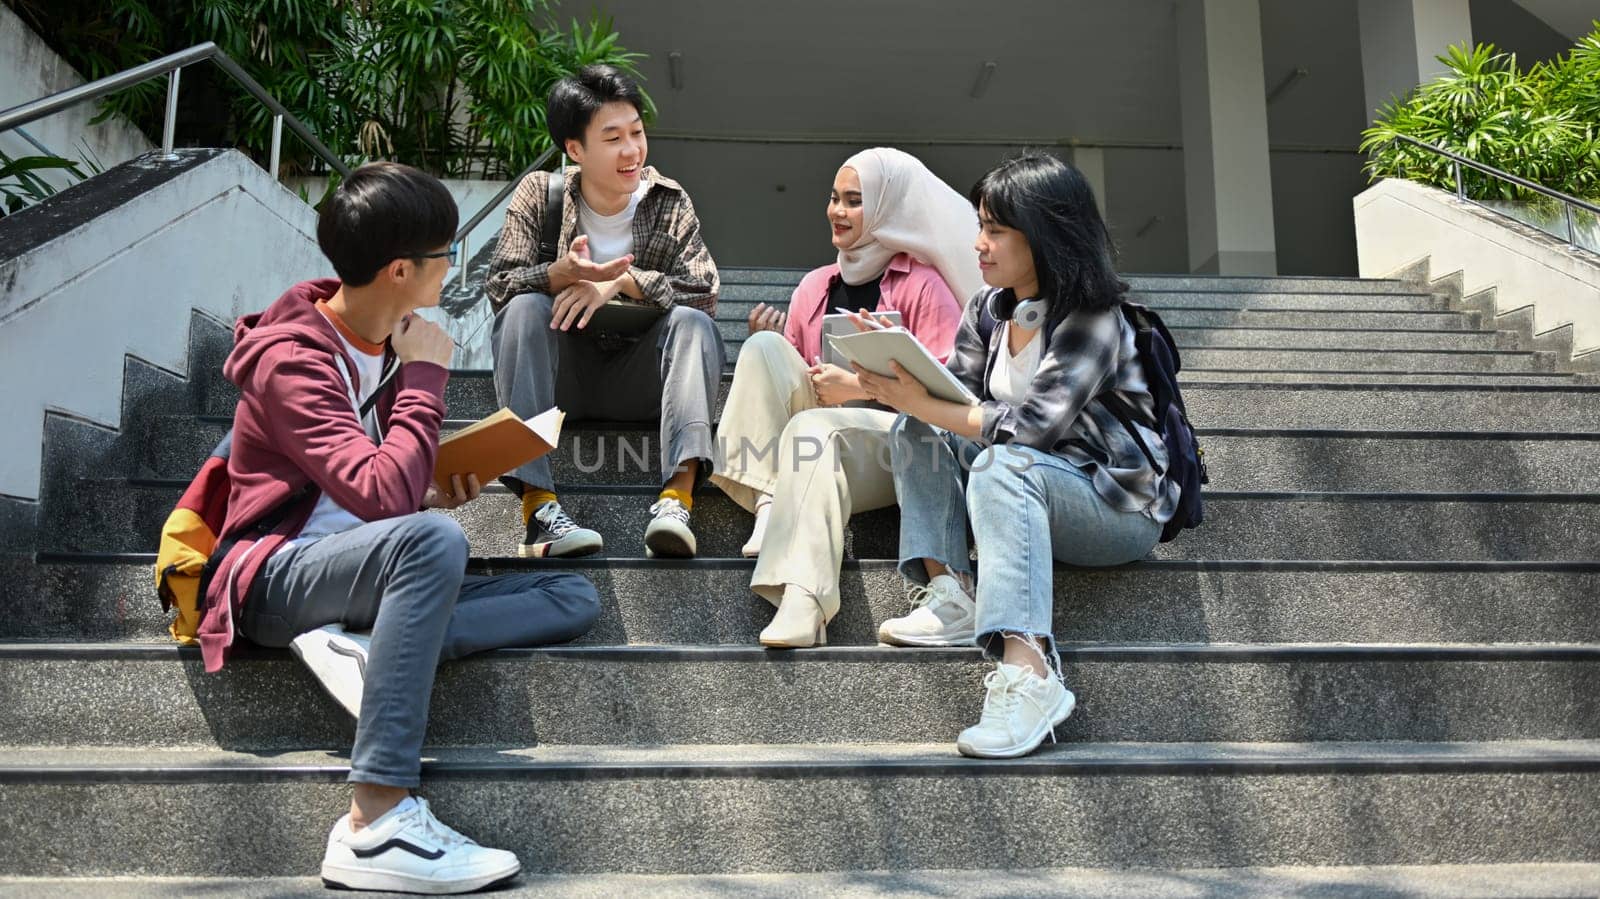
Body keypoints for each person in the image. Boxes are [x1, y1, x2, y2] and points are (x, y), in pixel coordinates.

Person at [197, 162, 601, 892]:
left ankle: (381, 649)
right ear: (398, 269)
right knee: (432, 542)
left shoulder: (385, 343)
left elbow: (383, 496)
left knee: (573, 594)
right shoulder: (291, 358)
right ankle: (376, 817)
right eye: (445, 253)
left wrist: (435, 489)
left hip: (357, 565)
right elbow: (378, 493)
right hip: (273, 573)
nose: (455, 265)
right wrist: (424, 382)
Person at [858, 154, 1179, 759]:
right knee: (916, 430)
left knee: (1002, 466)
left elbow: (1028, 431)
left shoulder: (1092, 319)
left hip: (1116, 505)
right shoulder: (989, 309)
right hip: (1035, 486)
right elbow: (953, 397)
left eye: (996, 230)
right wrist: (891, 372)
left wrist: (927, 404)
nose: (978, 244)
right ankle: (950, 592)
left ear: (1048, 235)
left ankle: (1031, 676)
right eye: (980, 225)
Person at [710, 147, 981, 648]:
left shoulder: (923, 284)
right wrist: (775, 351)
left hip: (898, 445)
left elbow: (952, 390)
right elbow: (787, 382)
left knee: (814, 431)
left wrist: (858, 387)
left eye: (855, 201)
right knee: (766, 346)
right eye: (834, 198)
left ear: (886, 209)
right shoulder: (815, 286)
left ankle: (804, 600)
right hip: (816, 442)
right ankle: (770, 501)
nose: (838, 211)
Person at [487, 64, 723, 559]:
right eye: (613, 138)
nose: (632, 150)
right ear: (575, 149)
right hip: (561, 383)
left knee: (693, 323)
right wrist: (561, 275)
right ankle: (539, 507)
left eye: (636, 133)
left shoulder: (669, 201)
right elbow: (498, 285)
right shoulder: (540, 194)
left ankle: (676, 500)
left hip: (644, 382)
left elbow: (703, 292)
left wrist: (623, 282)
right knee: (524, 310)